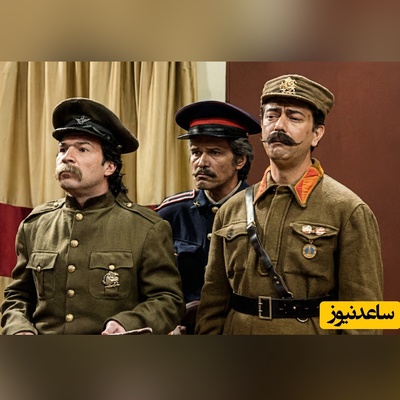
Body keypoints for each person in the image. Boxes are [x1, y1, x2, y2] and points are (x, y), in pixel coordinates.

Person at [195, 74, 383, 335]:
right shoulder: (231, 210)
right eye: (271, 116)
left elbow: (365, 316)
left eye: (294, 117)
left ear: (316, 134)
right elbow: (212, 303)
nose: (279, 126)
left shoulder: (348, 210)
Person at [1, 97, 185, 335]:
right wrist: (19, 329)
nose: (67, 157)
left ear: (109, 166)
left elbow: (168, 300)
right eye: (63, 149)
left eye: (82, 149)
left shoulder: (146, 227)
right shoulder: (36, 224)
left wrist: (128, 323)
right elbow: (18, 296)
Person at [155, 100, 261, 333]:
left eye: (214, 152)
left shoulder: (261, 210)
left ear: (240, 160)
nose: (201, 163)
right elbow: (153, 283)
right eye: (196, 152)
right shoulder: (171, 213)